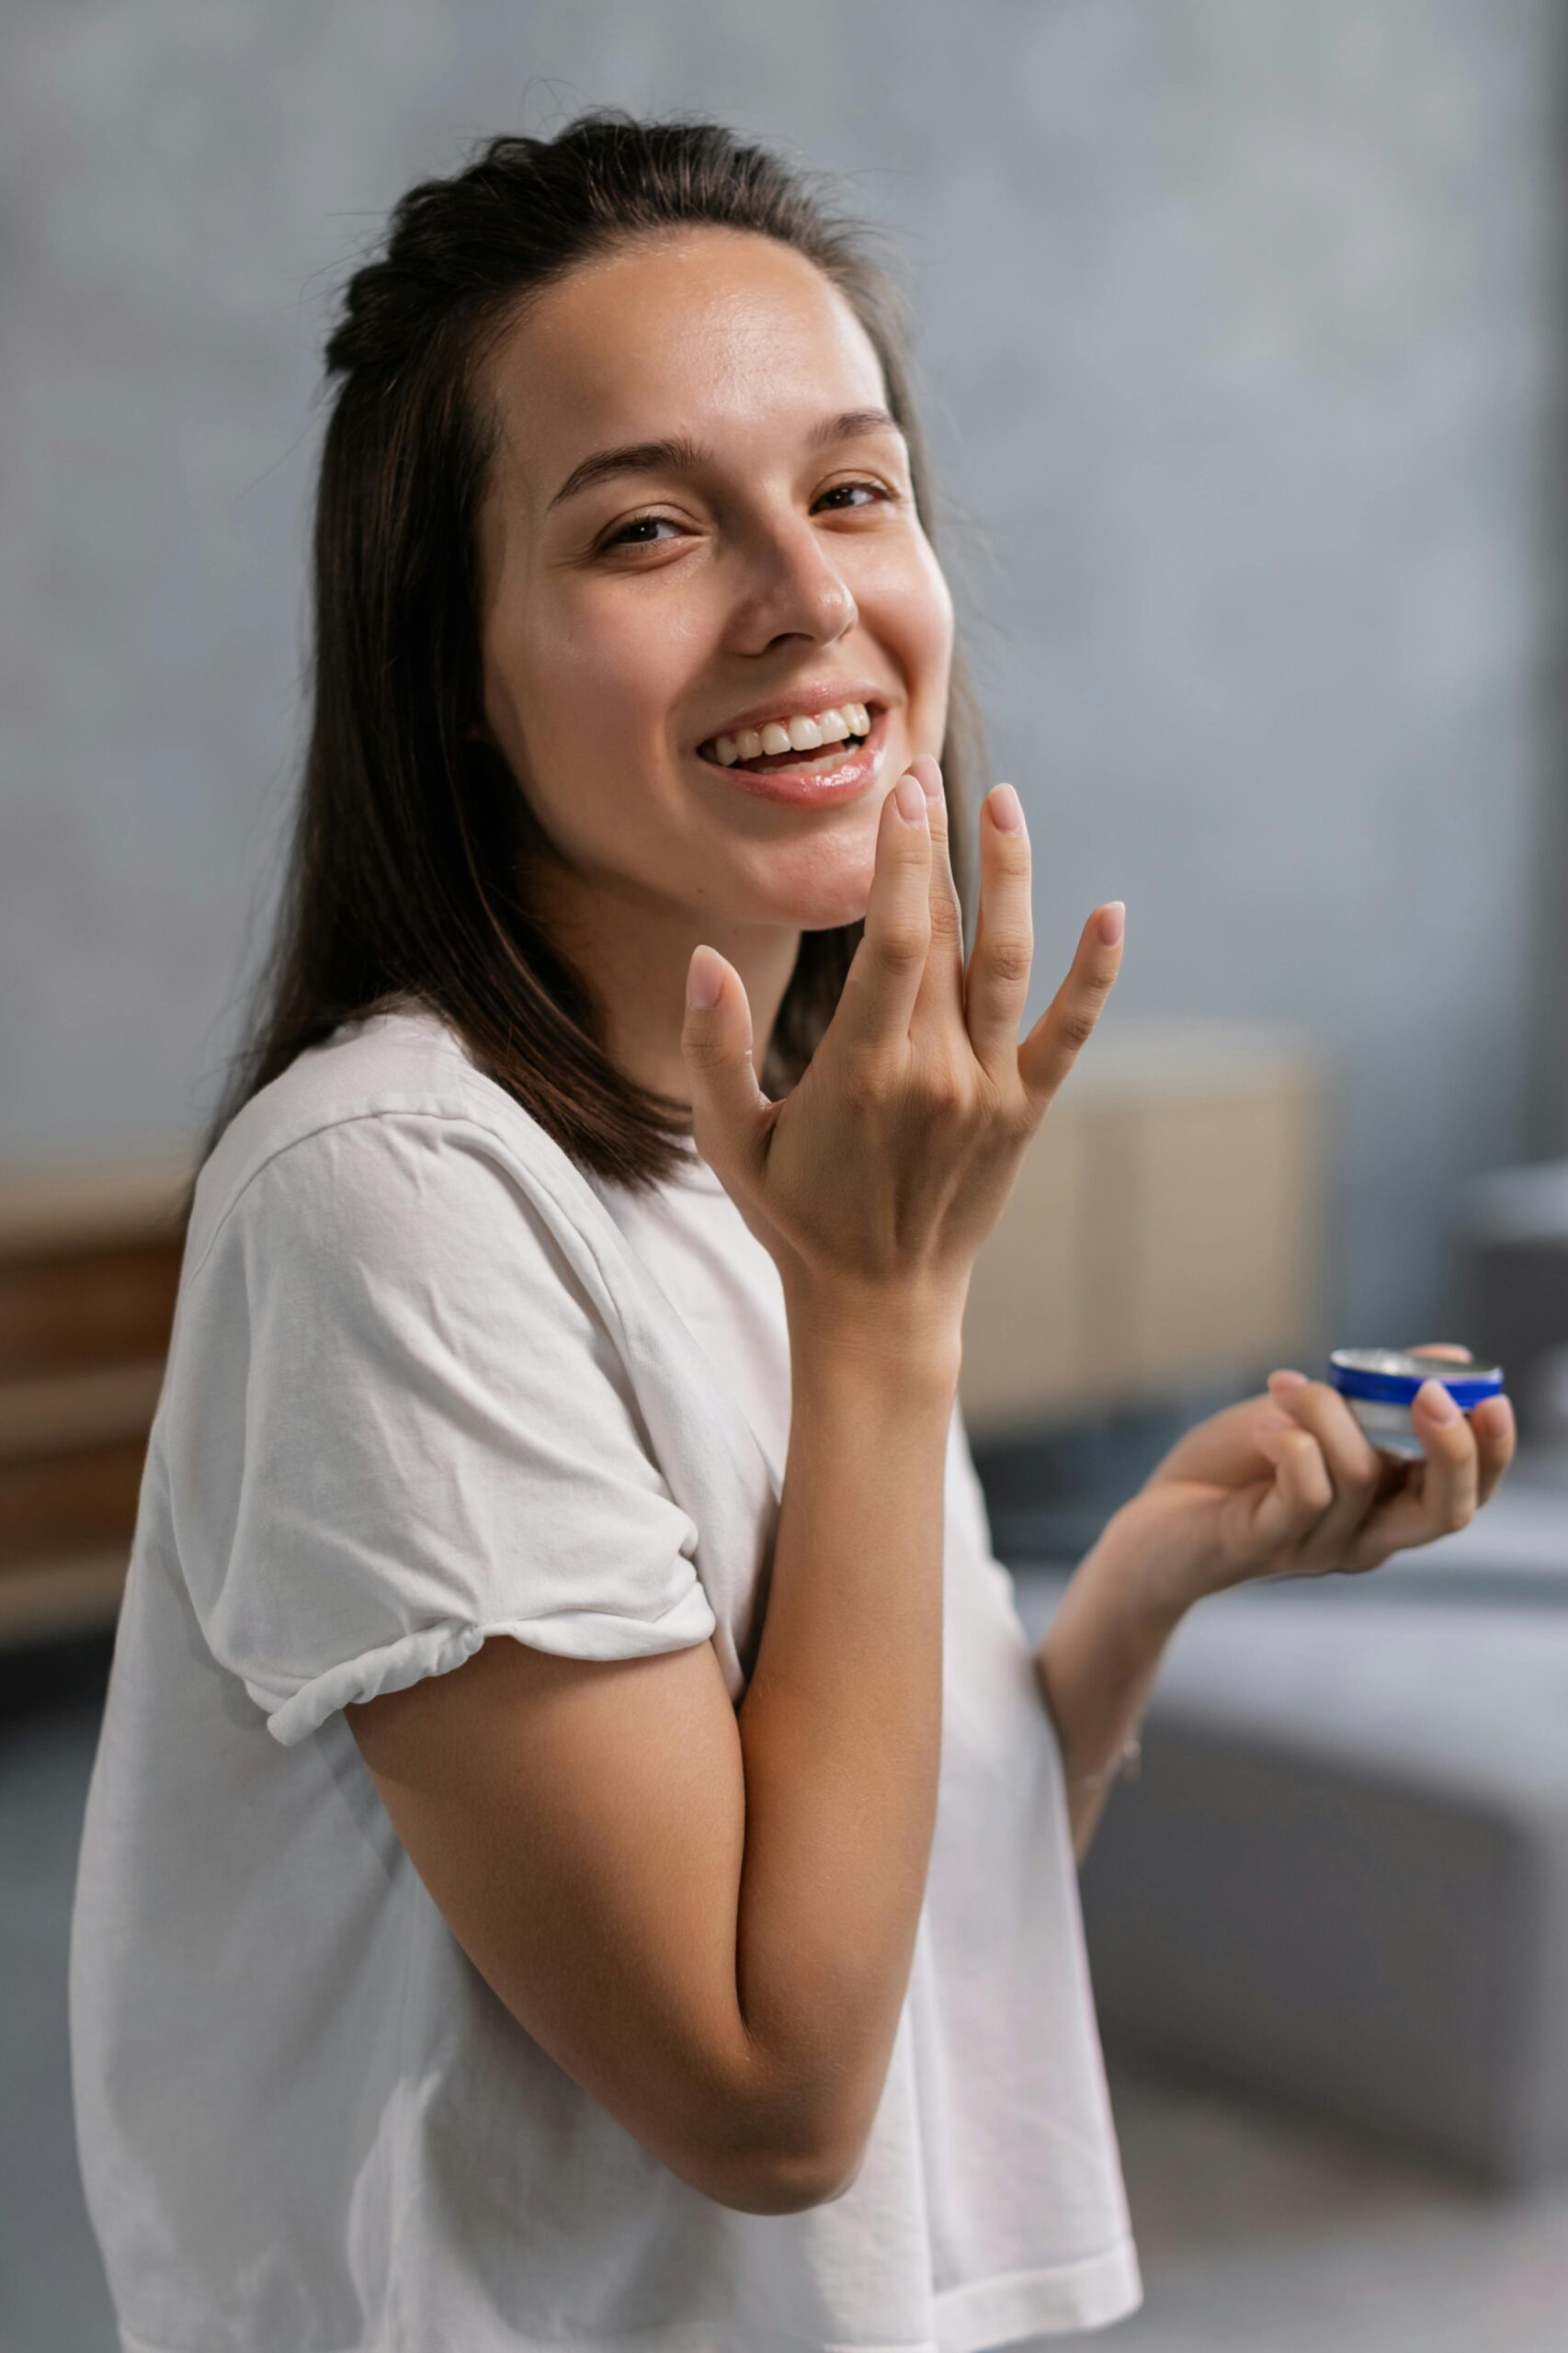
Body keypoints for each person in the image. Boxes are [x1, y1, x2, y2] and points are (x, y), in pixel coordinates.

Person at [67, 109, 1517, 2353]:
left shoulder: (744, 1154)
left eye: (852, 490)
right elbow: (764, 2085)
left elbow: (848, 1875)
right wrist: (885, 1317)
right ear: (451, 660)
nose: (809, 595)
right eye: (651, 526)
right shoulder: (393, 1198)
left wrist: (1134, 1578)